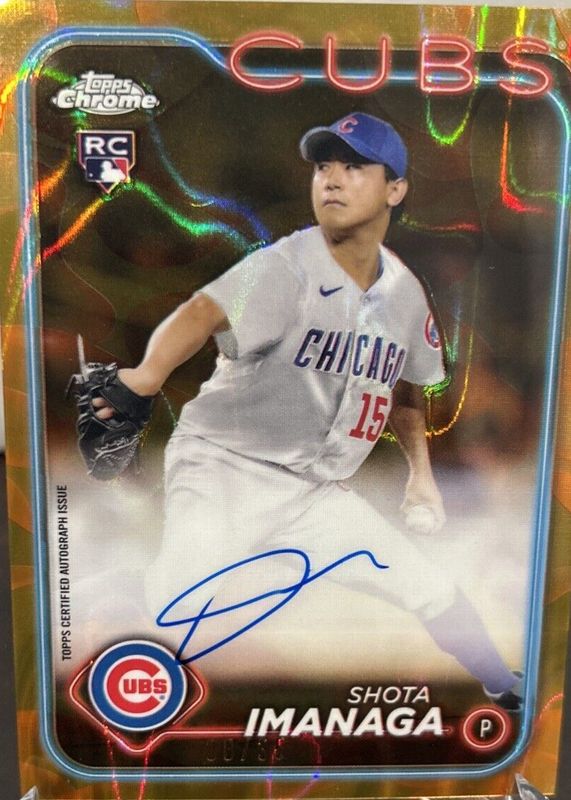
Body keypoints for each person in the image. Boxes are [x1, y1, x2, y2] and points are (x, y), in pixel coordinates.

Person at [94, 112, 522, 709]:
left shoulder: (404, 292)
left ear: (395, 189)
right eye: (323, 166)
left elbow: (405, 390)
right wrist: (145, 377)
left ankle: (505, 685)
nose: (332, 179)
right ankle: (106, 595)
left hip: (316, 493)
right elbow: (201, 311)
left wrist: (420, 476)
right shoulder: (285, 267)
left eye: (355, 166)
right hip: (226, 469)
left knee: (425, 584)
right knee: (180, 605)